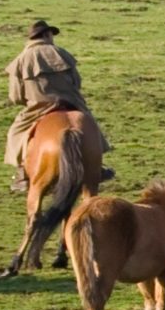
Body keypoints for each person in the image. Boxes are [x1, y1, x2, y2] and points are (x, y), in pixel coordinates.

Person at [5, 19, 96, 194]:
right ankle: (97, 165)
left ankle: (22, 173)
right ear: (46, 35)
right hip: (71, 103)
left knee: (15, 133)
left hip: (38, 108)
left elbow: (15, 96)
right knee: (90, 124)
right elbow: (77, 82)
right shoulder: (62, 53)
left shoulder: (21, 60)